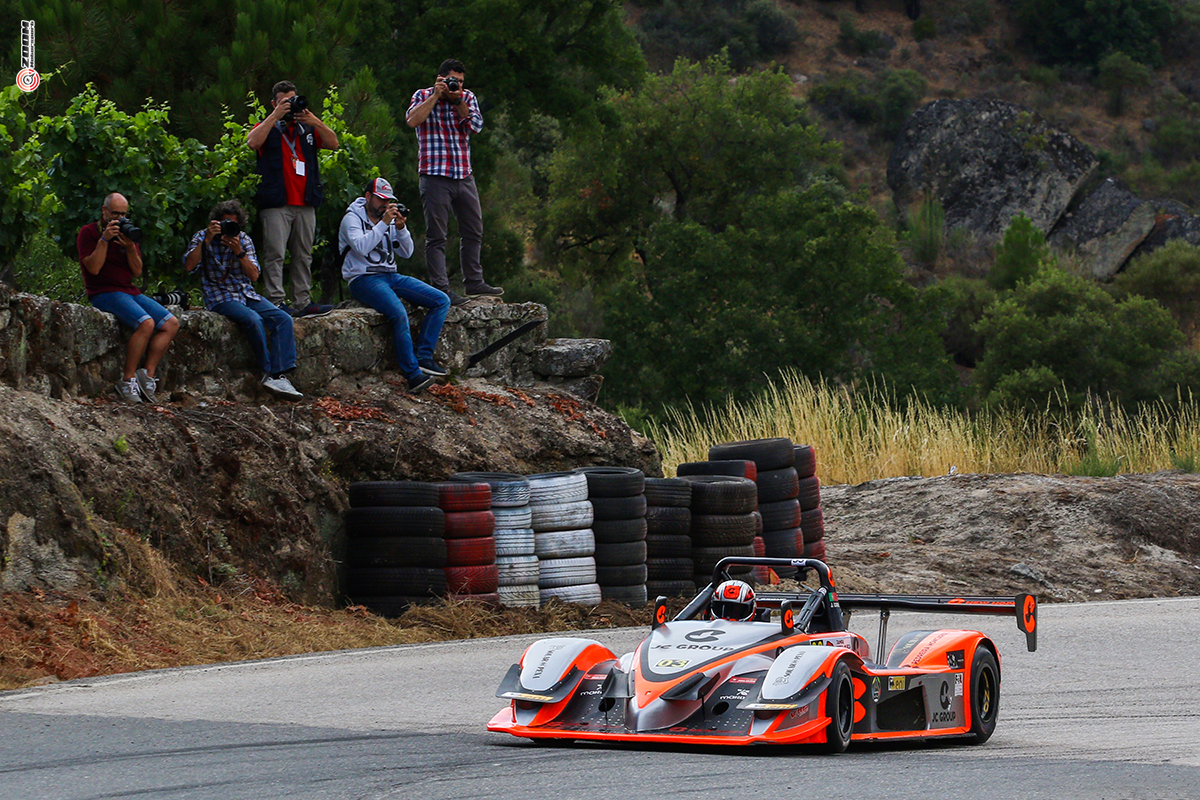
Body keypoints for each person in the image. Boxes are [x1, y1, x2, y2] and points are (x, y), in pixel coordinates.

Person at [405, 58, 503, 306]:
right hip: (434, 175)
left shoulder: (467, 97)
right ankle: (441, 288)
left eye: (459, 81)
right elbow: (413, 121)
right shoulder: (423, 95)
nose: (455, 85)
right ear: (439, 78)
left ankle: (474, 281)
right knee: (437, 235)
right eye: (451, 80)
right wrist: (436, 97)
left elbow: (477, 126)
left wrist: (458, 100)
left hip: (463, 173)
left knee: (473, 230)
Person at [340, 178, 451, 393]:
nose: (384, 205)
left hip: (391, 275)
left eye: (388, 201)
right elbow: (361, 248)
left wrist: (401, 228)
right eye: (380, 200)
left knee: (440, 300)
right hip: (363, 278)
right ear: (368, 197)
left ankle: (424, 356)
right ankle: (413, 375)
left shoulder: (388, 220)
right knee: (398, 313)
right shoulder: (351, 219)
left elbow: (407, 252)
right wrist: (384, 224)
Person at [184, 200, 303, 399]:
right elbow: (188, 266)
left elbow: (254, 276)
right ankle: (268, 372)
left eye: (233, 225)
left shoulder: (243, 240)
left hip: (245, 293)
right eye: (224, 224)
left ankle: (280, 374)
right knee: (253, 320)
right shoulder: (202, 237)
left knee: (283, 319)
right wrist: (206, 240)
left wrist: (238, 252)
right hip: (219, 296)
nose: (227, 229)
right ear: (215, 223)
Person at [246, 79, 339, 318]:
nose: (290, 106)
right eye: (284, 102)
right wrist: (275, 116)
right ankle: (275, 301)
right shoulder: (268, 127)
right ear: (274, 103)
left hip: (305, 201)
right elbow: (252, 142)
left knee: (303, 254)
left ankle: (302, 301)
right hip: (277, 201)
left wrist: (315, 121)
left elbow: (333, 143)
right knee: (275, 253)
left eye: (292, 100)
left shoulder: (306, 129)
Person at [79, 192, 180, 404]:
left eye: (123, 215)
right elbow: (94, 268)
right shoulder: (88, 233)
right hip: (103, 291)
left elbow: (137, 272)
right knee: (146, 323)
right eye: (115, 214)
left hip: (129, 290)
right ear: (104, 211)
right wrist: (105, 239)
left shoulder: (127, 234)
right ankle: (127, 379)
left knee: (171, 323)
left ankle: (147, 375)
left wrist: (130, 248)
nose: (119, 219)